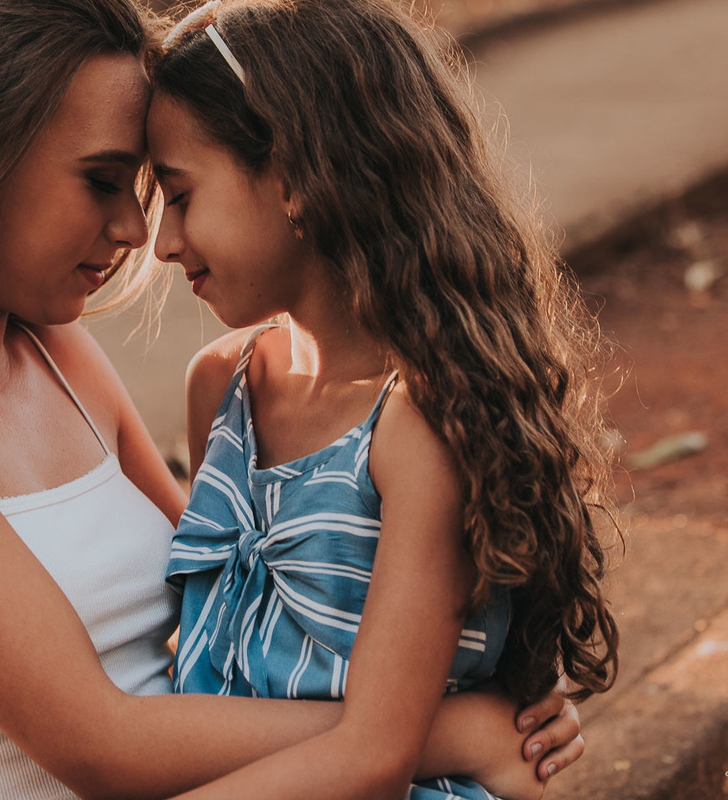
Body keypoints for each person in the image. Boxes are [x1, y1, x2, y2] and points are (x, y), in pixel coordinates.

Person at [0, 0, 585, 798]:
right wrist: (444, 730)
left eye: (149, 189)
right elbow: (102, 743)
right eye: (101, 180)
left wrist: (469, 669)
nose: (135, 231)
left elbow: (227, 608)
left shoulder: (61, 361)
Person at [145, 0, 620, 798]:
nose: (162, 241)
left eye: (180, 194)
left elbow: (373, 756)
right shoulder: (219, 385)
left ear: (293, 177)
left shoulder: (417, 426)